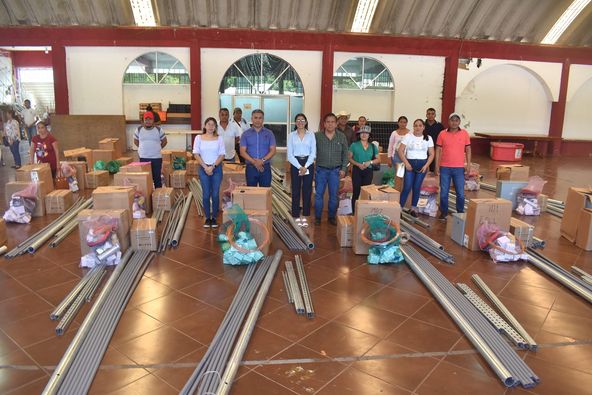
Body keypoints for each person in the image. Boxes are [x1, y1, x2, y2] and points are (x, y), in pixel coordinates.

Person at [435, 113, 471, 221]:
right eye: (452, 120)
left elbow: (468, 150)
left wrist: (468, 165)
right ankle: (444, 213)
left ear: (459, 122)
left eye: (456, 120)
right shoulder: (442, 134)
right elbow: (438, 150)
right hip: (444, 167)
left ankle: (460, 212)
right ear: (448, 121)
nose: (454, 122)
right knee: (444, 193)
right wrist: (437, 166)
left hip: (459, 168)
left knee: (460, 193)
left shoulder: (464, 133)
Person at [314, 113, 349, 226]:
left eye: (332, 122)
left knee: (334, 196)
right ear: (324, 124)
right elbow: (311, 151)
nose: (330, 124)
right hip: (320, 171)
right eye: (328, 122)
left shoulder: (341, 136)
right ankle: (318, 217)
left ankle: (331, 217)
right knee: (319, 195)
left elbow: (345, 155)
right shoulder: (317, 136)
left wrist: (343, 169)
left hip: (335, 171)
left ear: (336, 123)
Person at [398, 119, 435, 217]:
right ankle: (399, 209)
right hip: (409, 165)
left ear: (423, 127)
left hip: (422, 166)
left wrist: (426, 166)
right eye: (415, 126)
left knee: (416, 187)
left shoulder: (428, 138)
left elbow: (431, 154)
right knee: (407, 187)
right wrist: (406, 163)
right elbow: (400, 150)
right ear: (413, 127)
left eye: (420, 125)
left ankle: (413, 208)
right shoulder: (408, 136)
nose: (418, 127)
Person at [193, 117, 225, 228]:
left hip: (216, 169)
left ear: (215, 127)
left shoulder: (219, 138)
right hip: (203, 168)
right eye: (209, 124)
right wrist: (205, 167)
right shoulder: (198, 138)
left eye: (213, 125)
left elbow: (222, 154)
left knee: (215, 194)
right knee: (206, 194)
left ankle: (214, 218)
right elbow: (196, 154)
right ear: (205, 126)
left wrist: (213, 166)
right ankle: (207, 218)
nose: (211, 127)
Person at [287, 113, 316, 221]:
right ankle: (295, 212)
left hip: (308, 162)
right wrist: (300, 167)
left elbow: (313, 153)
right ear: (295, 122)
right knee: (295, 188)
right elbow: (290, 155)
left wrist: (306, 166)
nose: (300, 122)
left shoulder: (311, 135)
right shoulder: (291, 135)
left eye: (302, 120)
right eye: (298, 120)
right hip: (295, 163)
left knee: (307, 188)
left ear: (306, 122)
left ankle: (306, 212)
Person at [239, 109, 276, 187]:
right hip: (251, 168)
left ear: (263, 119)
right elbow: (242, 152)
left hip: (265, 167)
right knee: (251, 194)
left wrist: (262, 161)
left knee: (265, 193)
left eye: (260, 118)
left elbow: (273, 150)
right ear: (252, 119)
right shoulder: (245, 134)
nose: (258, 120)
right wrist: (254, 162)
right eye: (255, 118)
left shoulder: (269, 133)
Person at [349, 126, 379, 213]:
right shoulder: (354, 145)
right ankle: (354, 212)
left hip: (368, 171)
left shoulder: (373, 146)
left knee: (366, 192)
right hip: (357, 170)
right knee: (356, 191)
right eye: (362, 133)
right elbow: (349, 158)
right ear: (359, 134)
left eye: (366, 133)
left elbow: (378, 159)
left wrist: (370, 162)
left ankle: (364, 211)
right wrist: (358, 164)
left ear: (369, 135)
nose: (364, 135)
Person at [134, 112, 167, 188]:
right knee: (145, 178)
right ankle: (148, 197)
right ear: (143, 120)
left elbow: (164, 141)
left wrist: (157, 148)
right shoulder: (138, 129)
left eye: (150, 119)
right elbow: (135, 141)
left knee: (157, 178)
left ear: (153, 120)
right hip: (143, 158)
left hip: (156, 158)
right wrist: (142, 148)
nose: (148, 121)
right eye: (146, 119)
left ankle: (157, 196)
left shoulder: (159, 130)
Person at [425, 108, 444, 172]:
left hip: (436, 150)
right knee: (424, 169)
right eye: (429, 114)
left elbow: (443, 138)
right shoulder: (422, 125)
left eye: (432, 114)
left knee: (434, 169)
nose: (431, 115)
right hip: (424, 150)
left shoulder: (440, 126)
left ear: (435, 115)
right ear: (426, 115)